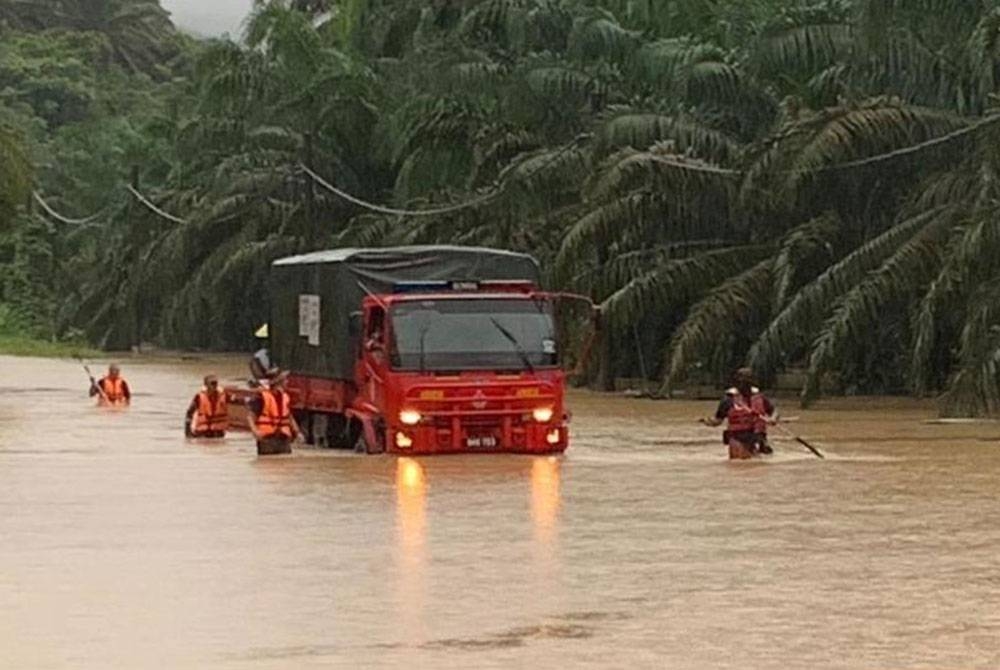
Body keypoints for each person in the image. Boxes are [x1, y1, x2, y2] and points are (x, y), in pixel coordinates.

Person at [702, 368, 777, 460]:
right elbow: (718, 419)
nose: (744, 384)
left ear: (752, 381)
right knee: (739, 464)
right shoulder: (728, 400)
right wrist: (708, 422)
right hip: (737, 437)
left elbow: (774, 411)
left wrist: (773, 418)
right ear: (736, 382)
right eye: (742, 381)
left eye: (747, 381)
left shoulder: (760, 397)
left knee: (757, 466)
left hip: (757, 437)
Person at [246, 371, 302, 456]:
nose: (287, 382)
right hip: (267, 439)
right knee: (267, 466)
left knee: (285, 466)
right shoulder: (262, 397)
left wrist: (297, 431)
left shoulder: (285, 396)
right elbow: (250, 416)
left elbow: (288, 416)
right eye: (285, 380)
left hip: (283, 438)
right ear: (278, 382)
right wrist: (255, 432)